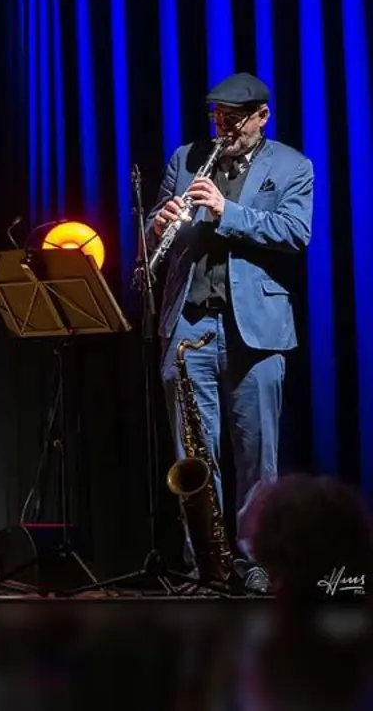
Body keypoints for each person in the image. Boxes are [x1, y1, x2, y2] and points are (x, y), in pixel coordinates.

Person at [148, 72, 312, 594]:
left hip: (256, 330)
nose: (223, 128)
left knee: (256, 454)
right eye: (216, 118)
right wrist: (156, 224)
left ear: (262, 117)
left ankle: (254, 563)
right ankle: (205, 565)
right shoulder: (185, 158)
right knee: (194, 455)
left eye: (233, 120)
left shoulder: (291, 166)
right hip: (189, 325)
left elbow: (294, 231)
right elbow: (160, 219)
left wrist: (227, 211)